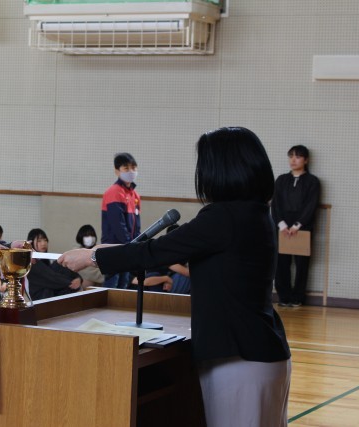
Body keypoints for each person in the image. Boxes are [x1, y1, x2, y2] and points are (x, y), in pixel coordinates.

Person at [59, 127, 291, 427]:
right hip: (261, 352)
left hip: (239, 358)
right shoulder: (254, 213)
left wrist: (91, 256)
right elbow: (171, 247)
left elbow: (155, 252)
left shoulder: (224, 217)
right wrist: (108, 251)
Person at [271, 145, 321, 307]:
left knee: (302, 264)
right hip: (282, 227)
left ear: (306, 160)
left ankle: (298, 297)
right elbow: (275, 204)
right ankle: (284, 297)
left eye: (298, 156)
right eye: (291, 156)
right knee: (281, 263)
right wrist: (282, 225)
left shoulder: (312, 181)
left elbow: (311, 206)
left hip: (303, 227)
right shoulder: (281, 180)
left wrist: (297, 225)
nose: (293, 160)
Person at [101, 152, 141, 289]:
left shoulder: (135, 195)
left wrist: (137, 243)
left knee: (123, 285)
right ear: (117, 171)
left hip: (128, 247)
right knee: (112, 285)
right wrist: (130, 245)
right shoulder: (114, 192)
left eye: (133, 168)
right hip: (113, 247)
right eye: (126, 168)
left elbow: (137, 225)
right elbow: (118, 224)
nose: (131, 171)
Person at [26, 228, 82, 301]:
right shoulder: (32, 263)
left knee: (61, 262)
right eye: (39, 241)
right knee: (59, 265)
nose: (43, 243)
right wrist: (71, 283)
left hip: (51, 292)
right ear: (31, 243)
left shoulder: (44, 260)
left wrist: (78, 278)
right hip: (41, 298)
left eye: (45, 240)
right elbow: (52, 278)